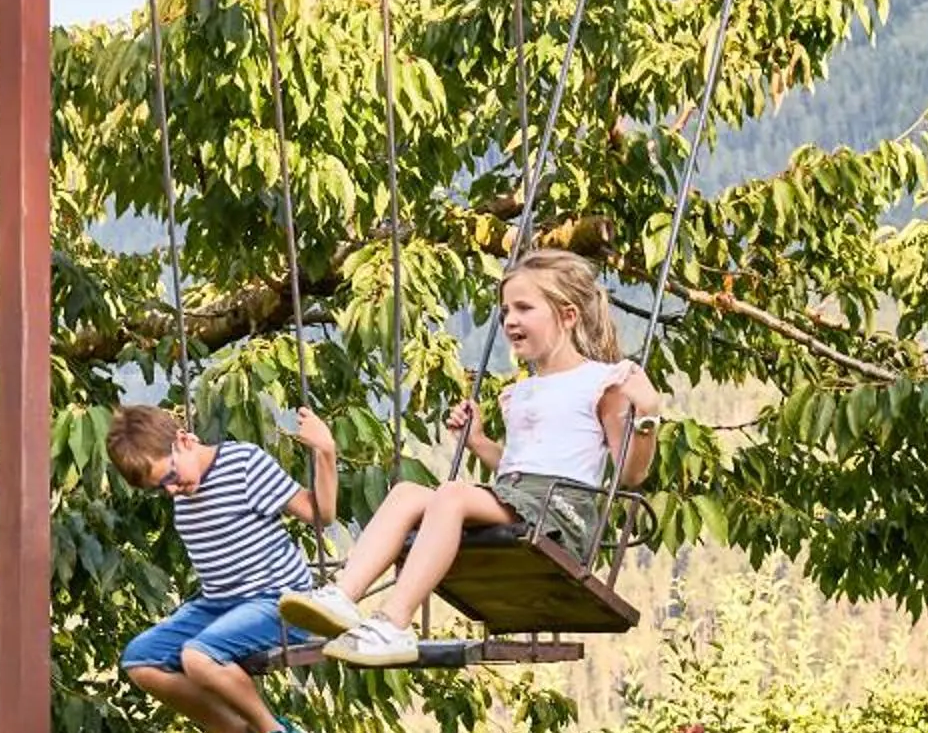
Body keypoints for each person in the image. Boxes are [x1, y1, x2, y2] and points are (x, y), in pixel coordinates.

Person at [277, 248, 662, 666]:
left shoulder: (603, 382)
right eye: (505, 311)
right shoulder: (520, 391)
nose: (509, 320)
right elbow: (521, 465)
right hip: (522, 497)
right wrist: (477, 441)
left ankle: (393, 623)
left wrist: (647, 416)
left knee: (452, 495)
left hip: (562, 514)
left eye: (524, 308)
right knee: (407, 493)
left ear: (568, 316)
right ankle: (342, 593)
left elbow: (630, 473)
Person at [107, 401, 338, 733]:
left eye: (171, 477)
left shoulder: (244, 464)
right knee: (140, 660)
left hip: (280, 600)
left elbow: (320, 514)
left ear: (183, 441)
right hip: (220, 604)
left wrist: (325, 451)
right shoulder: (183, 482)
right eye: (160, 488)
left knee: (198, 657)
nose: (172, 491)